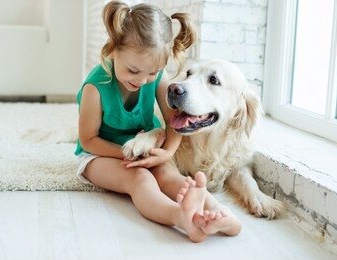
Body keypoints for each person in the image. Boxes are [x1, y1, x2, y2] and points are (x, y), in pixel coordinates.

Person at [75, 0, 241, 242]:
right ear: (113, 50)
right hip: (100, 155)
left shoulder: (154, 76)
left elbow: (173, 120)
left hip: (141, 148)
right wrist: (128, 155)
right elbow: (88, 140)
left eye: (152, 73)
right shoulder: (95, 88)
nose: (143, 80)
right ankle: (180, 217)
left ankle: (221, 215)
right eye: (133, 71)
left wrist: (166, 153)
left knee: (169, 175)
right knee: (139, 179)